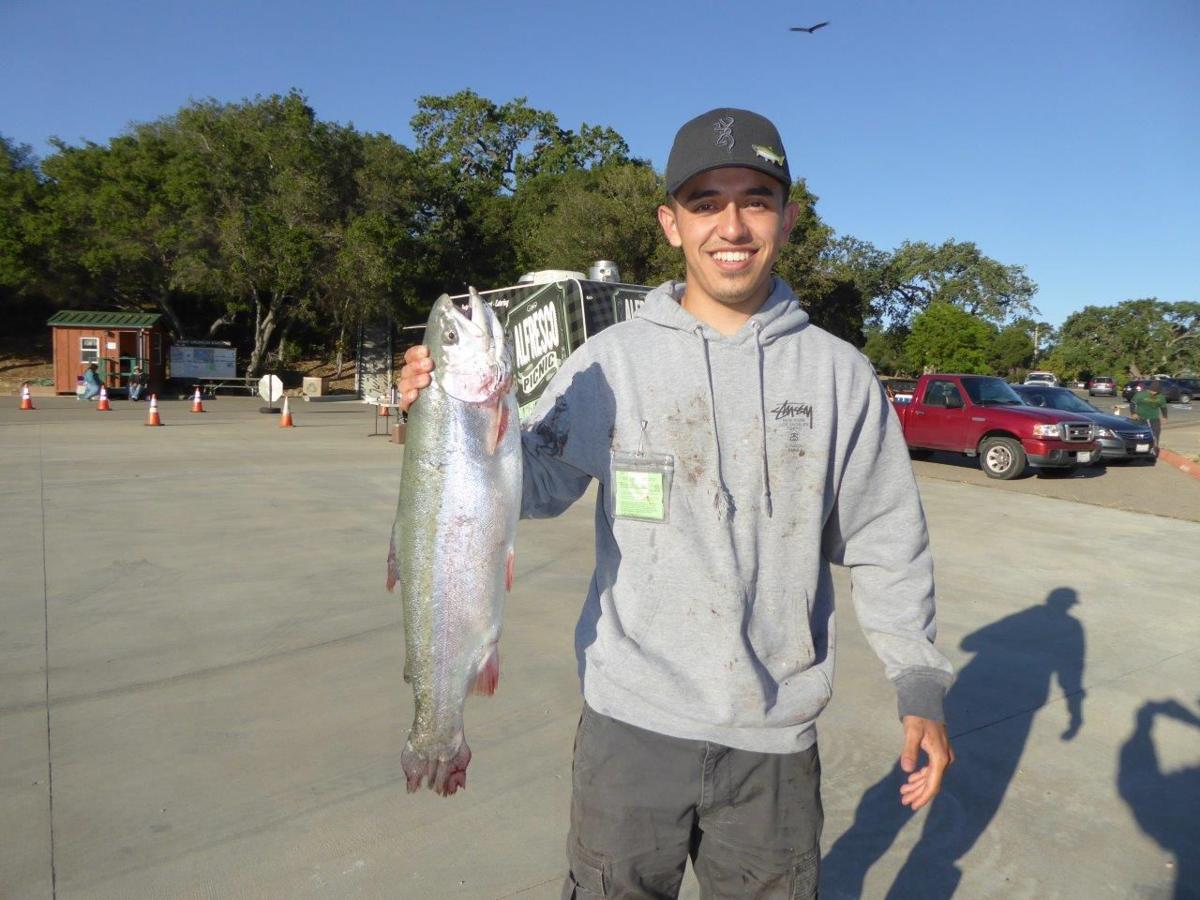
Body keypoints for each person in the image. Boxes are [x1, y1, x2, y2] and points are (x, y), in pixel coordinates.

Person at [399, 108, 954, 899]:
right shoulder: (609, 363)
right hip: (629, 730)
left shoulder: (840, 377)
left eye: (756, 199)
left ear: (788, 219)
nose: (732, 224)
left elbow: (886, 536)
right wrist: (447, 426)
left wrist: (919, 682)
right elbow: (537, 485)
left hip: (773, 739)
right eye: (704, 202)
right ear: (670, 223)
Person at [1130, 380, 1169, 453]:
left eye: (1156, 391)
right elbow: (1132, 403)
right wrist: (1133, 413)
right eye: (1152, 390)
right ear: (1149, 389)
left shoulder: (1161, 397)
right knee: (1140, 434)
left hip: (1154, 418)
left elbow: (1163, 407)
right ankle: (1137, 449)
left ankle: (1154, 449)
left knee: (1155, 434)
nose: (1154, 392)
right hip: (1140, 417)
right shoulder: (1140, 394)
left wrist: (1165, 417)